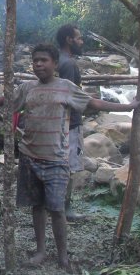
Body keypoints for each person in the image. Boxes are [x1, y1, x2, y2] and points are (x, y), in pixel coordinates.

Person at [0, 43, 140, 270]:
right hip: (29, 157)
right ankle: (40, 251)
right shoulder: (27, 88)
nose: (38, 64)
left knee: (57, 209)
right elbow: (0, 102)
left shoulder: (66, 87)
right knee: (37, 206)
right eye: (35, 60)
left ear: (55, 64)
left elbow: (93, 103)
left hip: (56, 160)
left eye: (43, 60)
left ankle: (63, 256)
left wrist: (128, 107)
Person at [56, 24, 86, 221]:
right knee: (69, 167)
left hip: (61, 121)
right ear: (69, 39)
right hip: (70, 122)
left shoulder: (59, 59)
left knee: (61, 164)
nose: (81, 42)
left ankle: (59, 205)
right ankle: (65, 208)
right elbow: (69, 95)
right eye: (78, 38)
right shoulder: (69, 64)